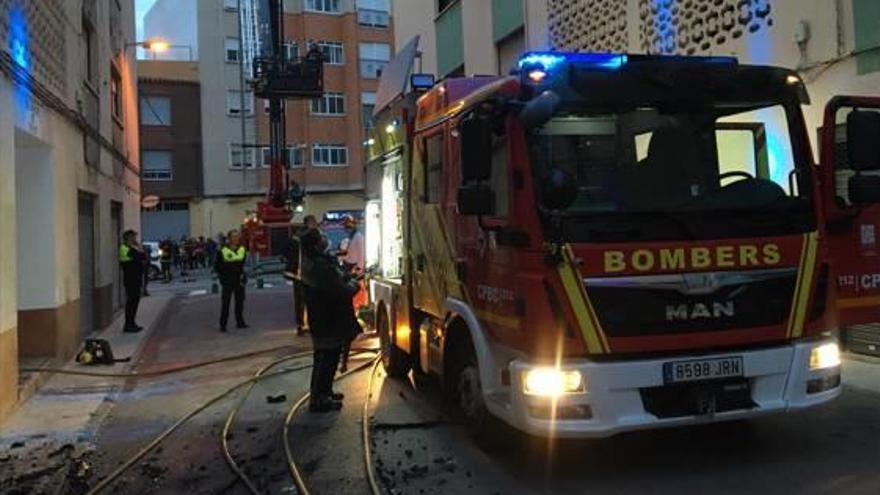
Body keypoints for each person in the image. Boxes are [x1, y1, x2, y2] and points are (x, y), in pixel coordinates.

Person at [300, 228, 360, 412]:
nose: (325, 239)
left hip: (322, 318)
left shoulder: (313, 263)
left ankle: (324, 392)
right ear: (316, 244)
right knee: (328, 358)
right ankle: (319, 399)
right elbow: (339, 290)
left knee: (324, 358)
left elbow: (335, 281)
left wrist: (345, 277)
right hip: (328, 318)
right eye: (320, 237)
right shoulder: (320, 266)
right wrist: (353, 284)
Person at [336, 215, 366, 372]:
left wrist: (358, 270)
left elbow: (359, 255)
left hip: (355, 270)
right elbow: (349, 255)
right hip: (350, 269)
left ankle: (357, 325)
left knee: (357, 300)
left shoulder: (358, 238)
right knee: (354, 302)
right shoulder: (352, 238)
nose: (346, 228)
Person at [284, 215, 319, 336]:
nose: (316, 224)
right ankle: (308, 324)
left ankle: (301, 324)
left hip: (297, 273)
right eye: (314, 222)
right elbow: (319, 249)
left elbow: (286, 251)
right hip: (307, 273)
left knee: (299, 300)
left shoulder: (296, 235)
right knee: (309, 299)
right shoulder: (311, 235)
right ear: (310, 223)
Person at [216, 229, 249, 332]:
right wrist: (222, 278)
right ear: (229, 238)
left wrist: (244, 276)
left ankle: (240, 322)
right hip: (227, 280)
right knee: (225, 303)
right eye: (233, 236)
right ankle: (223, 325)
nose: (236, 238)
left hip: (239, 279)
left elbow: (243, 264)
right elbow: (217, 266)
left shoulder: (242, 249)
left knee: (240, 302)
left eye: (237, 236)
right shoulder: (222, 250)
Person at [119, 230, 147, 333]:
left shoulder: (133, 248)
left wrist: (139, 248)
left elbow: (143, 257)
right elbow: (135, 260)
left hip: (137, 278)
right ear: (128, 238)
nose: (135, 239)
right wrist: (139, 254)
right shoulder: (124, 248)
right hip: (130, 278)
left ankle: (132, 323)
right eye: (133, 237)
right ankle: (128, 325)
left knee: (135, 301)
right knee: (131, 302)